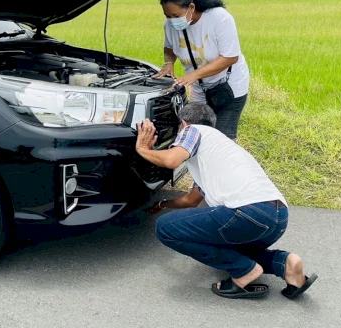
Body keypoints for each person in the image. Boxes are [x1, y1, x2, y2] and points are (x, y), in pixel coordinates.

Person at [135, 103, 317, 300]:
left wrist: (143, 149)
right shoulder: (219, 150)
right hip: (277, 217)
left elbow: (171, 160)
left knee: (165, 227)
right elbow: (191, 200)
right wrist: (162, 205)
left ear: (183, 124)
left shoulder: (193, 130)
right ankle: (286, 263)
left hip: (247, 212)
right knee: (225, 246)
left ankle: (244, 271)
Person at [154, 0, 250, 141]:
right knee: (195, 132)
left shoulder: (218, 17)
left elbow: (230, 57)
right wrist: (168, 63)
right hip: (200, 89)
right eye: (167, 16)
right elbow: (169, 47)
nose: (171, 20)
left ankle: (226, 164)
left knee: (223, 137)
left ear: (191, 7)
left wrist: (194, 75)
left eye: (176, 16)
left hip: (229, 86)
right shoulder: (170, 25)